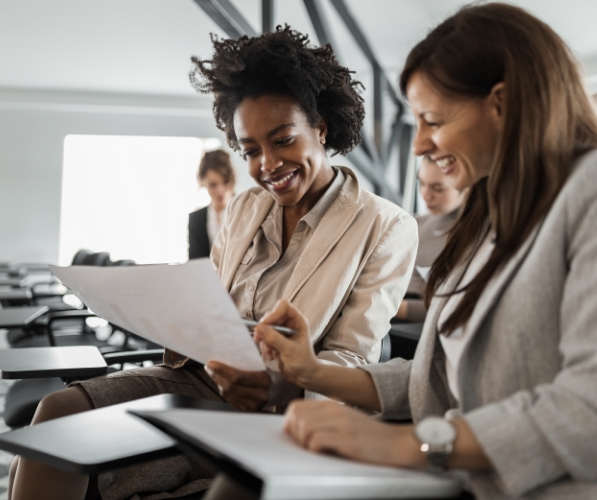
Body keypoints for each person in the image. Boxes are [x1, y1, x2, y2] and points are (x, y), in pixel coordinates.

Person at [8, 26, 418, 500]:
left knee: (78, 448)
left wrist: (278, 387)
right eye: (250, 151)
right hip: (201, 379)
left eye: (283, 140)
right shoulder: (245, 208)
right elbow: (213, 315)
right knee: (56, 411)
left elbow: (353, 357)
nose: (267, 164)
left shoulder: (384, 225)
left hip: (285, 409)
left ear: (320, 128)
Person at [230, 4, 597, 500]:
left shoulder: (587, 193)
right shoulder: (487, 216)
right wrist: (313, 372)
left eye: (431, 120)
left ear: (502, 104)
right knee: (241, 480)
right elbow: (433, 382)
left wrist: (411, 444)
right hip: (460, 475)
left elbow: (586, 411)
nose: (420, 144)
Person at [396, 155, 465, 322]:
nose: (426, 195)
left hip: (412, 327)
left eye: (438, 188)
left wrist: (388, 307)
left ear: (466, 186)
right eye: (422, 183)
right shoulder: (414, 223)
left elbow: (457, 309)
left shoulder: (473, 237)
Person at [188, 150, 235, 259]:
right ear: (203, 182)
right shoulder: (196, 219)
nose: (220, 190)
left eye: (225, 182)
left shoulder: (247, 213)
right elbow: (194, 261)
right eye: (213, 185)